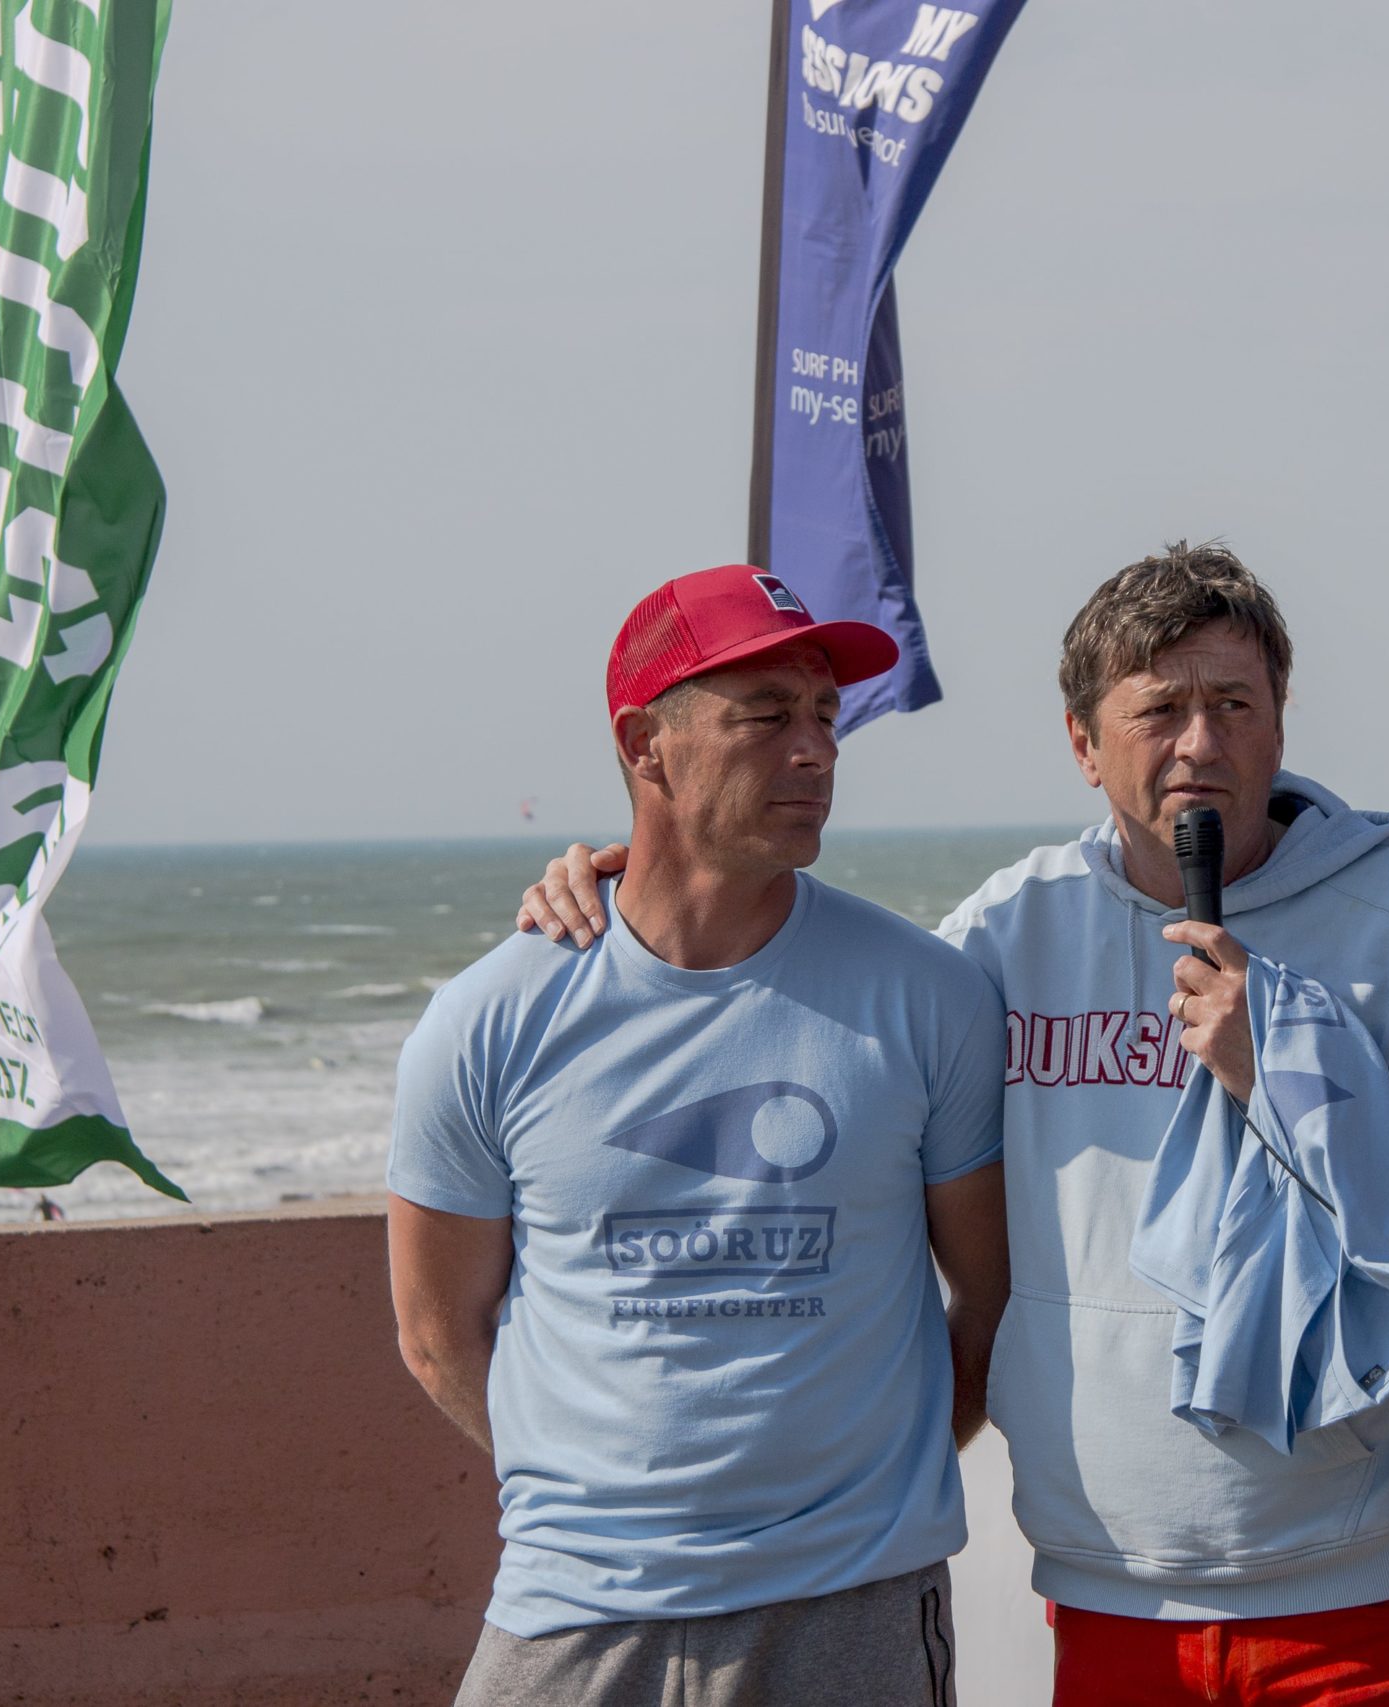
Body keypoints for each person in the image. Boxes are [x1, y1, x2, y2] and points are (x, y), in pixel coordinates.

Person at [520, 543, 1389, 1705]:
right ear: (1082, 744)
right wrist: (641, 893)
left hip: (1375, 1594)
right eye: (1159, 709)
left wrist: (1297, 1077)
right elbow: (798, 1013)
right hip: (1110, 1592)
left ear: (1280, 724)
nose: (1201, 744)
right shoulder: (1006, 933)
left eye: (1235, 705)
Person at [392, 563, 1010, 1707]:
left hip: (854, 1610)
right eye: (765, 716)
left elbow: (990, 1297)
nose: (815, 750)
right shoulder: (487, 1018)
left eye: (824, 714)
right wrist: (601, 1508)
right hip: (573, 1614)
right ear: (646, 745)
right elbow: (438, 1336)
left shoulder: (929, 995)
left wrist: (866, 1499)